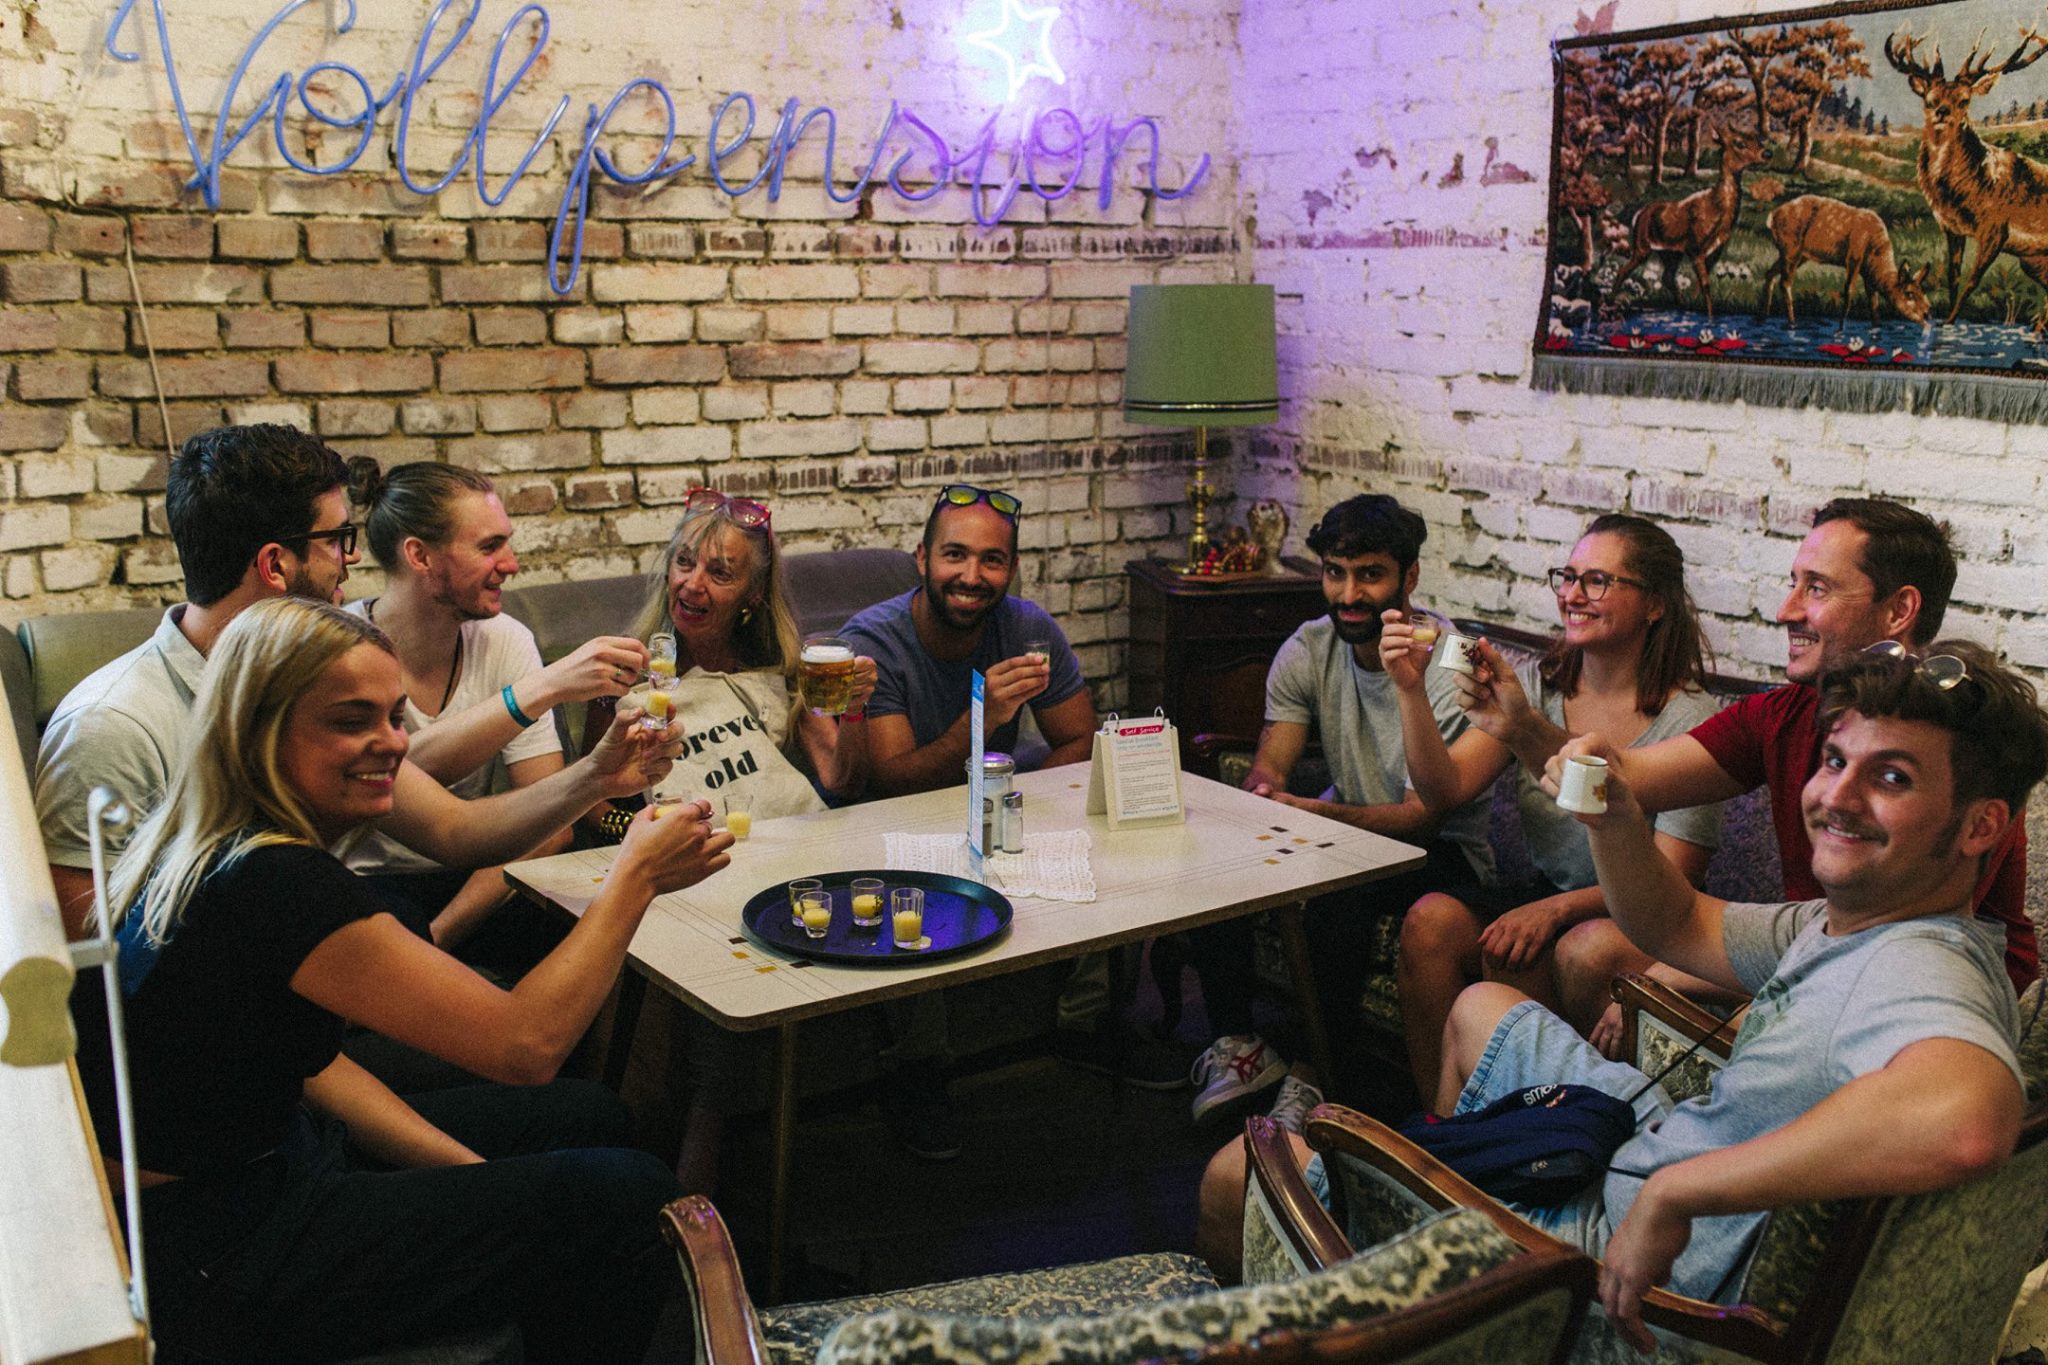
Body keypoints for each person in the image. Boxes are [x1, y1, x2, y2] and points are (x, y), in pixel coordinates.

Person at [1201, 640, 2040, 1353]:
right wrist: (1611, 816)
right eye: (1833, 760)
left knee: (1237, 1175)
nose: (1835, 797)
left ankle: (1457, 1297)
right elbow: (1676, 920)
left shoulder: (1920, 969)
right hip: (1642, 1153)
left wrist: (1682, 1190)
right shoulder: (1847, 920)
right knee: (1481, 1009)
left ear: (1981, 826)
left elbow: (1971, 1119)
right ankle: (1444, 1258)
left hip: (1620, 1277)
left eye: (1890, 777)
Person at [76, 596, 735, 1362]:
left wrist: (478, 1180)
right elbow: (527, 1044)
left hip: (259, 1165)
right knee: (634, 1195)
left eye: (394, 716)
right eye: (350, 720)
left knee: (588, 1115)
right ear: (259, 729)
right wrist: (636, 877)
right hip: (216, 1247)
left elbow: (318, 1070)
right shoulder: (278, 885)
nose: (391, 742)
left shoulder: (211, 835)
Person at [34, 424, 676, 942]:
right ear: (275, 564)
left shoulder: (305, 681)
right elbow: (90, 955)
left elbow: (453, 831)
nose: (354, 556)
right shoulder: (112, 724)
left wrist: (599, 776)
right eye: (338, 538)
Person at [1458, 497, 2038, 997]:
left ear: (1899, 610)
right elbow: (1622, 776)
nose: (1786, 610)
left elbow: (1886, 940)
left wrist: (1700, 981)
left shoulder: (1966, 735)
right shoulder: (1784, 713)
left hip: (1917, 986)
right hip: (1811, 948)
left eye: (1817, 588)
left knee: (1603, 961)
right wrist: (1522, 726)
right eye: (1835, 761)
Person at [841, 484, 1164, 1151]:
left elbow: (1078, 741)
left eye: (992, 560)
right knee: (911, 886)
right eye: (954, 555)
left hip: (988, 806)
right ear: (922, 558)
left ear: (1011, 569)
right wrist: (981, 716)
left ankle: (1087, 1024)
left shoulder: (1027, 628)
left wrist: (1019, 803)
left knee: (1098, 827)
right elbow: (889, 779)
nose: (972, 575)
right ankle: (917, 1068)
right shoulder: (873, 643)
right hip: (890, 822)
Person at [579, 485, 876, 1191]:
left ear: (751, 595)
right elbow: (593, 810)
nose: (693, 583)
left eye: (720, 572)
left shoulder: (778, 673)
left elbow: (839, 776)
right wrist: (641, 829)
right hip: (680, 871)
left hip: (778, 865)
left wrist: (855, 710)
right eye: (684, 563)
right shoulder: (626, 674)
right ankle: (681, 1154)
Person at [1380, 514, 1727, 1098]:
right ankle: (1441, 1125)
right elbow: (1443, 791)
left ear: (1654, 605)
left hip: (1638, 916)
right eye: (1567, 577)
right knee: (1430, 922)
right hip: (1549, 892)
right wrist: (1410, 689)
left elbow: (1677, 877)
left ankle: (1538, 1124)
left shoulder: (1692, 718)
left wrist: (1555, 910)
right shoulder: (1538, 687)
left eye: (1597, 581)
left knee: (1551, 950)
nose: (1572, 594)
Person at [1183, 493, 1498, 1127]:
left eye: (1370, 575)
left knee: (1338, 893)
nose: (1349, 594)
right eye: (1335, 573)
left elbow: (1422, 818)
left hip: (1444, 855)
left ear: (1410, 576)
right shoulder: (1311, 646)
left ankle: (1314, 1075)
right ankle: (1239, 1045)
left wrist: (1309, 815)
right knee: (1214, 854)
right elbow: (1272, 763)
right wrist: (1262, 799)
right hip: (1348, 829)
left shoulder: (1453, 660)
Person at [341, 458, 652, 959]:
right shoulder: (339, 649)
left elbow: (550, 828)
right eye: (489, 547)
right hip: (366, 882)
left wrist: (442, 935)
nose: (511, 564)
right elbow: (389, 772)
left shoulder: (504, 639)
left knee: (617, 941)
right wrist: (540, 689)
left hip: (479, 872)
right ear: (419, 556)